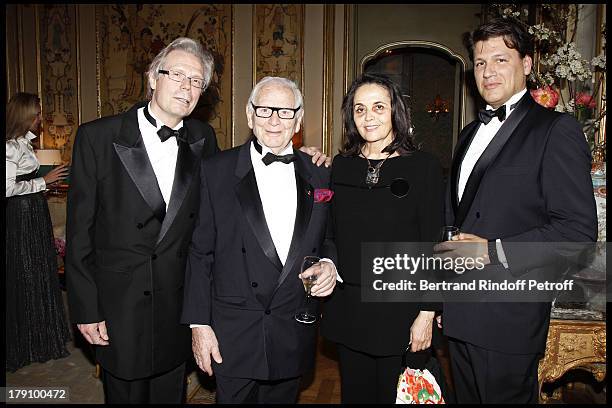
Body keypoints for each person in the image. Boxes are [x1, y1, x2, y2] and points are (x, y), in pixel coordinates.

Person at [67, 38, 329, 404]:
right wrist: (86, 307)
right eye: (178, 74)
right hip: (120, 306)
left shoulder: (203, 140)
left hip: (176, 304)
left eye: (196, 81)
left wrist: (305, 158)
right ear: (152, 77)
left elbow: (227, 213)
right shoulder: (98, 136)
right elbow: (80, 232)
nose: (187, 87)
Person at [437, 18, 597, 403]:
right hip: (461, 313)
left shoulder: (556, 130)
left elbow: (577, 232)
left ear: (526, 64)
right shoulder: (467, 134)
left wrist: (492, 251)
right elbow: (454, 220)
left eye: (500, 59)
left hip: (508, 317)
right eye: (479, 63)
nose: (488, 71)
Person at [181, 76, 338, 404]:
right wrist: (199, 325)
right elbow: (200, 252)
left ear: (299, 119)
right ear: (250, 116)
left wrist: (329, 263)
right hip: (233, 331)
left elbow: (330, 236)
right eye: (265, 110)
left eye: (284, 111)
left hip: (292, 327)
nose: (274, 120)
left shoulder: (321, 172)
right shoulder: (215, 170)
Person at [319, 73, 445, 403]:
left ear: (395, 112)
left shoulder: (423, 167)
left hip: (401, 313)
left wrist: (427, 313)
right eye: (359, 109)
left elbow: (435, 244)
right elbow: (327, 229)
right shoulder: (340, 168)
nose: (368, 116)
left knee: (398, 396)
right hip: (352, 311)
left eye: (378, 106)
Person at [6, 92, 71, 372]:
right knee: (25, 274)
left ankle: (41, 339)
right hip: (20, 217)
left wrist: (44, 183)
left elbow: (25, 179)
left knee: (38, 272)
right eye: (37, 114)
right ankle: (26, 343)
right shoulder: (9, 147)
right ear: (24, 116)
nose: (40, 118)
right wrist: (43, 181)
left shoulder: (24, 144)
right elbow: (7, 188)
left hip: (32, 213)